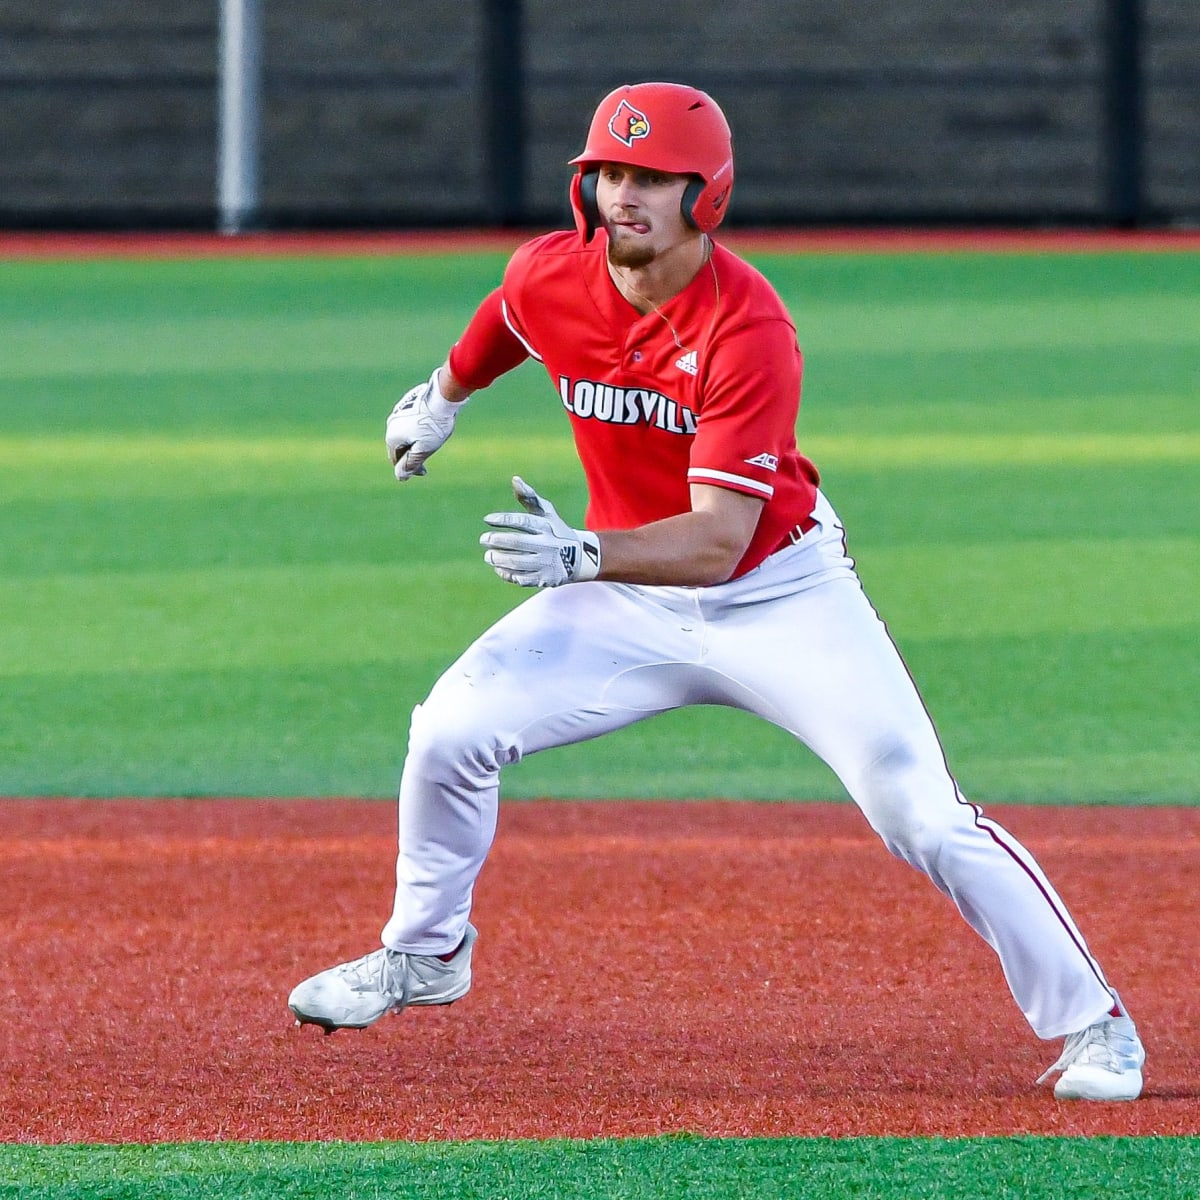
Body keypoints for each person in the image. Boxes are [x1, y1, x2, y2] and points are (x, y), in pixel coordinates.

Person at [288, 81, 1145, 1102]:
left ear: (709, 196)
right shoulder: (555, 273)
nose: (622, 196)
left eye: (653, 178)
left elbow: (718, 540)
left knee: (922, 814)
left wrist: (583, 559)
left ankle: (1097, 1028)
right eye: (608, 172)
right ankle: (426, 956)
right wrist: (441, 398)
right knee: (448, 734)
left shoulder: (749, 328)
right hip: (620, 593)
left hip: (778, 595)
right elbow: (507, 319)